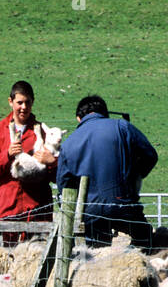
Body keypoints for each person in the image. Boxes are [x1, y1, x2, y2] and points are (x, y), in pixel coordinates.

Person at [55, 95, 158, 247]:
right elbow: (150, 155)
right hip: (123, 203)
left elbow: (64, 185)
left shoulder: (69, 143)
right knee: (145, 243)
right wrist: (132, 177)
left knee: (96, 255)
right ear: (105, 113)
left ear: (79, 118)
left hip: (90, 211)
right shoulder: (122, 127)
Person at [0, 81, 58, 232]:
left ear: (33, 102)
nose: (24, 107)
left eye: (27, 102)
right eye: (19, 102)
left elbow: (57, 175)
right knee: (3, 254)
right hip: (7, 208)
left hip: (37, 209)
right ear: (10, 102)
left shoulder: (43, 132)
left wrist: (52, 163)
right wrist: (7, 155)